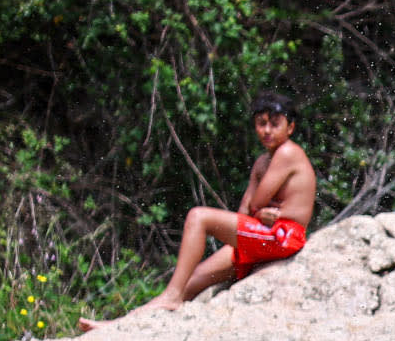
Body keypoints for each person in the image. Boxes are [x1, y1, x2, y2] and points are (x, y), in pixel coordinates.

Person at [86, 91, 317, 327]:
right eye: (261, 123)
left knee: (198, 217)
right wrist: (257, 212)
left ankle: (171, 298)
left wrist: (258, 210)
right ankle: (121, 325)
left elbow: (256, 203)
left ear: (290, 128)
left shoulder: (288, 152)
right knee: (191, 277)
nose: (267, 130)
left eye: (275, 124)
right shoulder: (262, 162)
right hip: (262, 234)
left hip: (284, 236)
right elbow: (245, 213)